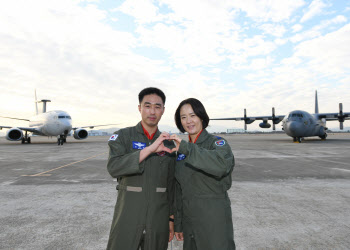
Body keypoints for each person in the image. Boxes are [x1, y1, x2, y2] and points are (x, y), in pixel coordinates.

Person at [106, 87, 176, 250]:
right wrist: (149, 150)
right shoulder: (123, 136)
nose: (152, 111)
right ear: (139, 108)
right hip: (128, 216)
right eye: (147, 105)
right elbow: (114, 167)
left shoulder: (169, 144)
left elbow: (171, 184)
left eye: (157, 107)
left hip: (158, 218)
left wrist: (171, 219)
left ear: (163, 110)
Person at [170, 98, 236, 250]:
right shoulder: (181, 150)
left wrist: (188, 149)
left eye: (192, 115)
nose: (188, 121)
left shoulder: (217, 143)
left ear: (201, 116)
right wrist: (179, 223)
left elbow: (222, 165)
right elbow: (179, 189)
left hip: (214, 219)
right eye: (183, 117)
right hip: (190, 222)